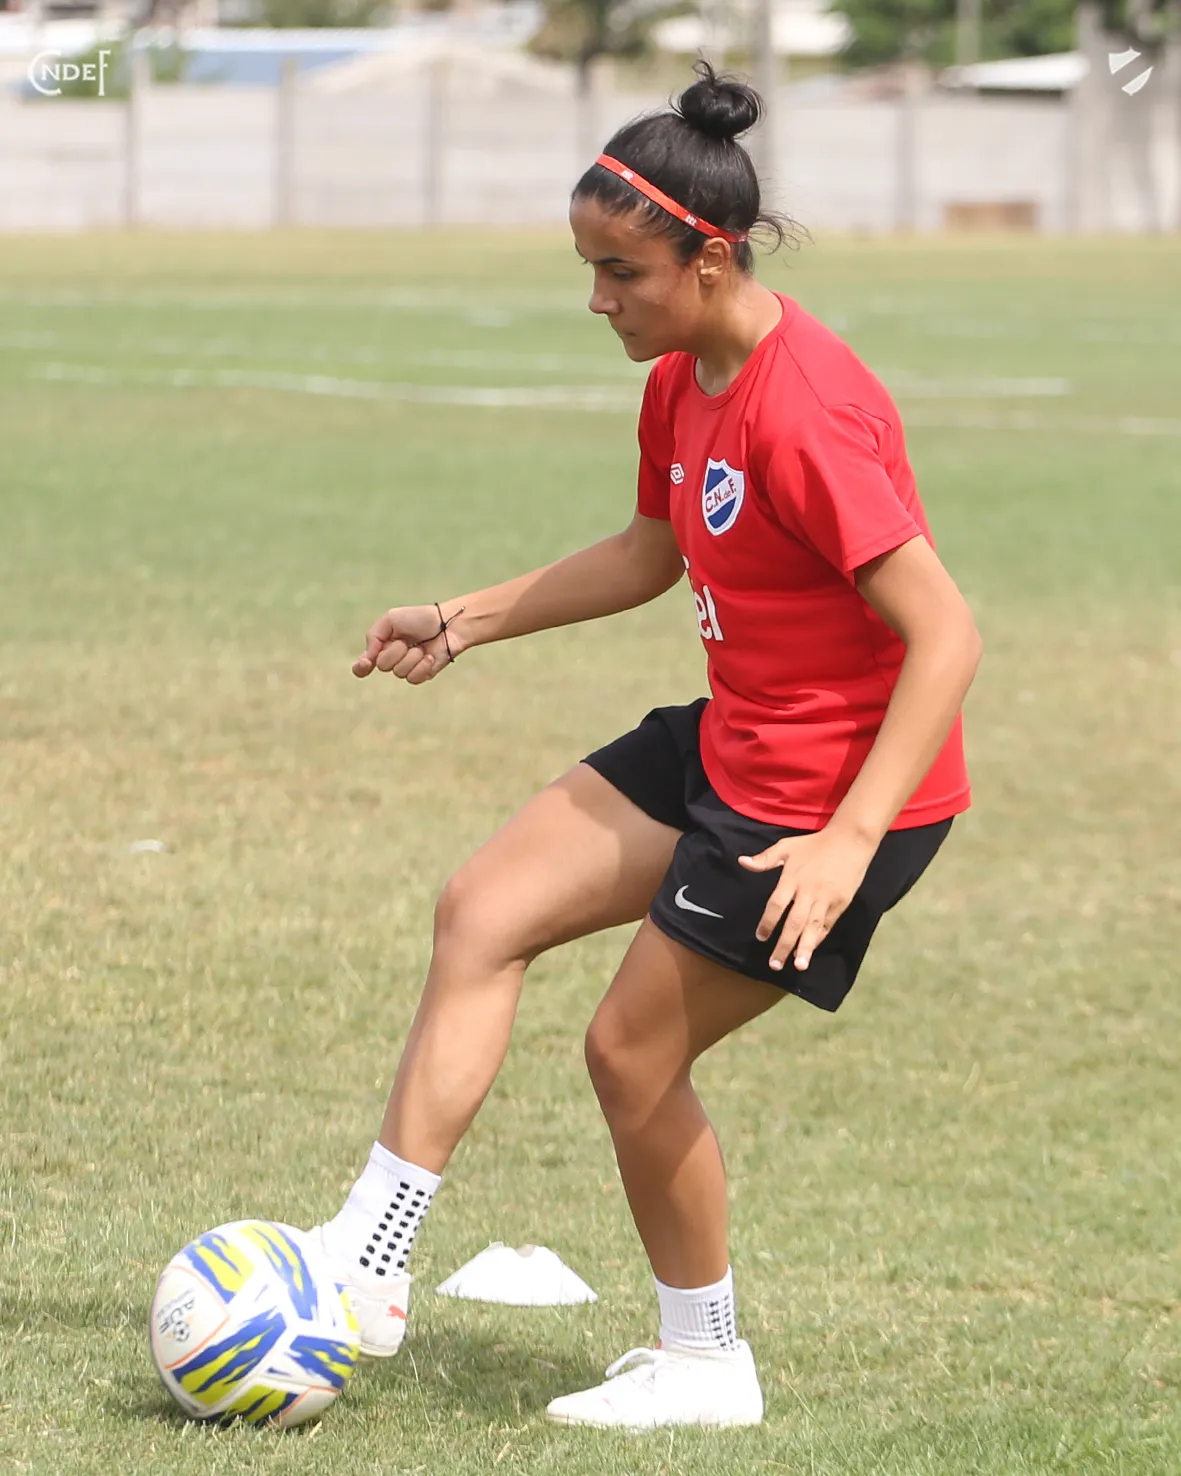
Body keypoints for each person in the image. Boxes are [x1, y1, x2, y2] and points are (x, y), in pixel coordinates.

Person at [308, 61, 982, 1431]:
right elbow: (648, 553)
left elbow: (948, 634)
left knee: (628, 1055)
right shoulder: (684, 378)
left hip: (827, 798)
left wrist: (847, 843)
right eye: (590, 270)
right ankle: (366, 1263)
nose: (599, 300)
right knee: (483, 908)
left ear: (710, 261)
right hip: (735, 738)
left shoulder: (807, 411)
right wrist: (463, 619)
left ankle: (706, 1362)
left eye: (621, 272)